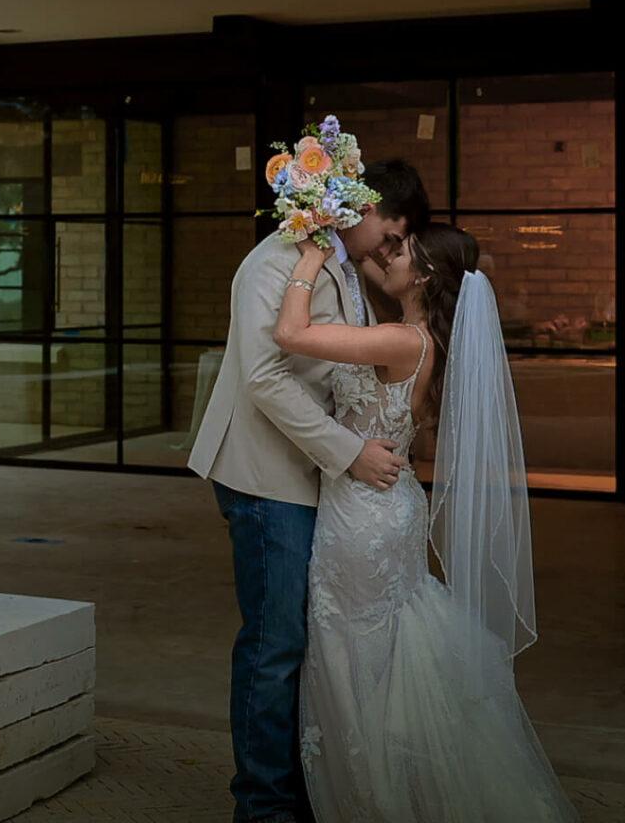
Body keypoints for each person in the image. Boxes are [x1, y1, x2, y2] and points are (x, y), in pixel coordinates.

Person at [273, 226, 575, 821]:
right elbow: (369, 273)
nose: (388, 256)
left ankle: (381, 801)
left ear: (426, 276)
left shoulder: (400, 340)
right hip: (391, 503)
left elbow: (290, 335)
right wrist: (338, 232)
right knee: (386, 656)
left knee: (355, 662)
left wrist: (308, 257)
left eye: (401, 251)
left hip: (364, 515)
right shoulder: (425, 337)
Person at [186, 158, 428, 823]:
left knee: (304, 641)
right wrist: (350, 453)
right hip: (265, 474)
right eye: (389, 235)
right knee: (275, 644)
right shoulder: (274, 261)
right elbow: (264, 377)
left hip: (309, 474)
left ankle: (300, 792)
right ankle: (263, 809)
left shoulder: (344, 262)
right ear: (364, 207)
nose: (389, 251)